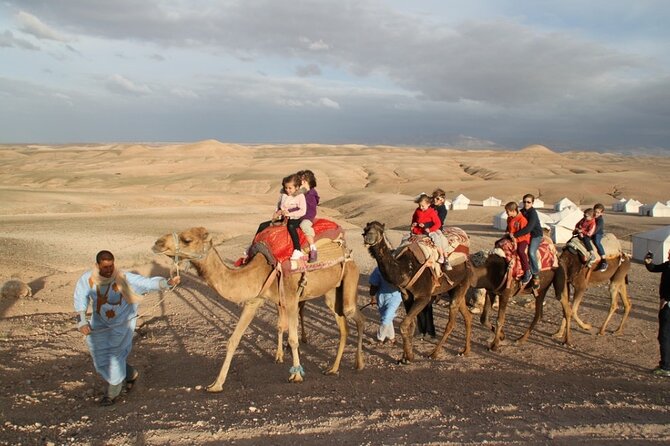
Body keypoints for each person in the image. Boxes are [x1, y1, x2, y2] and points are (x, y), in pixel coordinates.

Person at [74, 250, 180, 406]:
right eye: (105, 267)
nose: (109, 270)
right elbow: (80, 298)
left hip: (122, 326)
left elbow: (147, 283)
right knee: (99, 356)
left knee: (113, 356)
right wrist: (82, 321)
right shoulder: (87, 279)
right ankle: (131, 374)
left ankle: (112, 393)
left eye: (111, 266)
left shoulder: (124, 278)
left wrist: (167, 283)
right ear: (97, 265)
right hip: (99, 325)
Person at [644, 249, 670, 377]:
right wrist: (648, 261)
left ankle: (665, 367)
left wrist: (667, 300)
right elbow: (654, 268)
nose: (669, 253)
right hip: (666, 305)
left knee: (664, 336)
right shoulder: (667, 265)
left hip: (668, 308)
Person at [511, 194, 543, 288]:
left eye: (528, 202)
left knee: (531, 252)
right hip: (525, 235)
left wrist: (515, 235)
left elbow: (529, 228)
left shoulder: (533, 213)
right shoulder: (522, 211)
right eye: (524, 201)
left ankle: (535, 274)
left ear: (532, 203)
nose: (526, 203)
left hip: (535, 235)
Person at [369, 267, 402, 345]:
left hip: (396, 297)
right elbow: (374, 285)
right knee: (387, 317)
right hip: (381, 298)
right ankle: (392, 338)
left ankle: (380, 338)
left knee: (387, 316)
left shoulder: (400, 269)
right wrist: (373, 298)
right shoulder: (378, 270)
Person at [411, 194, 447, 264]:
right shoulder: (417, 210)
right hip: (418, 230)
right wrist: (414, 223)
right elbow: (414, 218)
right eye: (419, 205)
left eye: (422, 206)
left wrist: (430, 229)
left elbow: (438, 223)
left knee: (437, 238)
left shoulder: (432, 212)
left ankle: (442, 256)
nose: (421, 207)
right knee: (406, 239)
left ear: (428, 204)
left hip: (429, 230)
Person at [505, 201, 532, 287]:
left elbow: (524, 233)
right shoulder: (509, 218)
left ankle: (527, 272)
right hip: (512, 238)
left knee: (520, 251)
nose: (506, 213)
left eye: (507, 211)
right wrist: (507, 234)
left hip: (522, 239)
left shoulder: (522, 220)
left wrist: (515, 239)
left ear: (513, 210)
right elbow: (509, 229)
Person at [297, 169, 320, 263]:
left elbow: (309, 210)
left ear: (304, 182)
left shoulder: (310, 194)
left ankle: (313, 248)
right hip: (298, 216)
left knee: (304, 226)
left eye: (299, 181)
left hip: (307, 217)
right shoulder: (302, 193)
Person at [593, 203, 608, 272]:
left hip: (597, 233)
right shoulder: (591, 217)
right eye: (595, 212)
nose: (596, 214)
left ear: (601, 213)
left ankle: (604, 260)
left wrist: (590, 233)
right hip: (590, 233)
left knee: (597, 242)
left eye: (598, 212)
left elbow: (596, 229)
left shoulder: (600, 220)